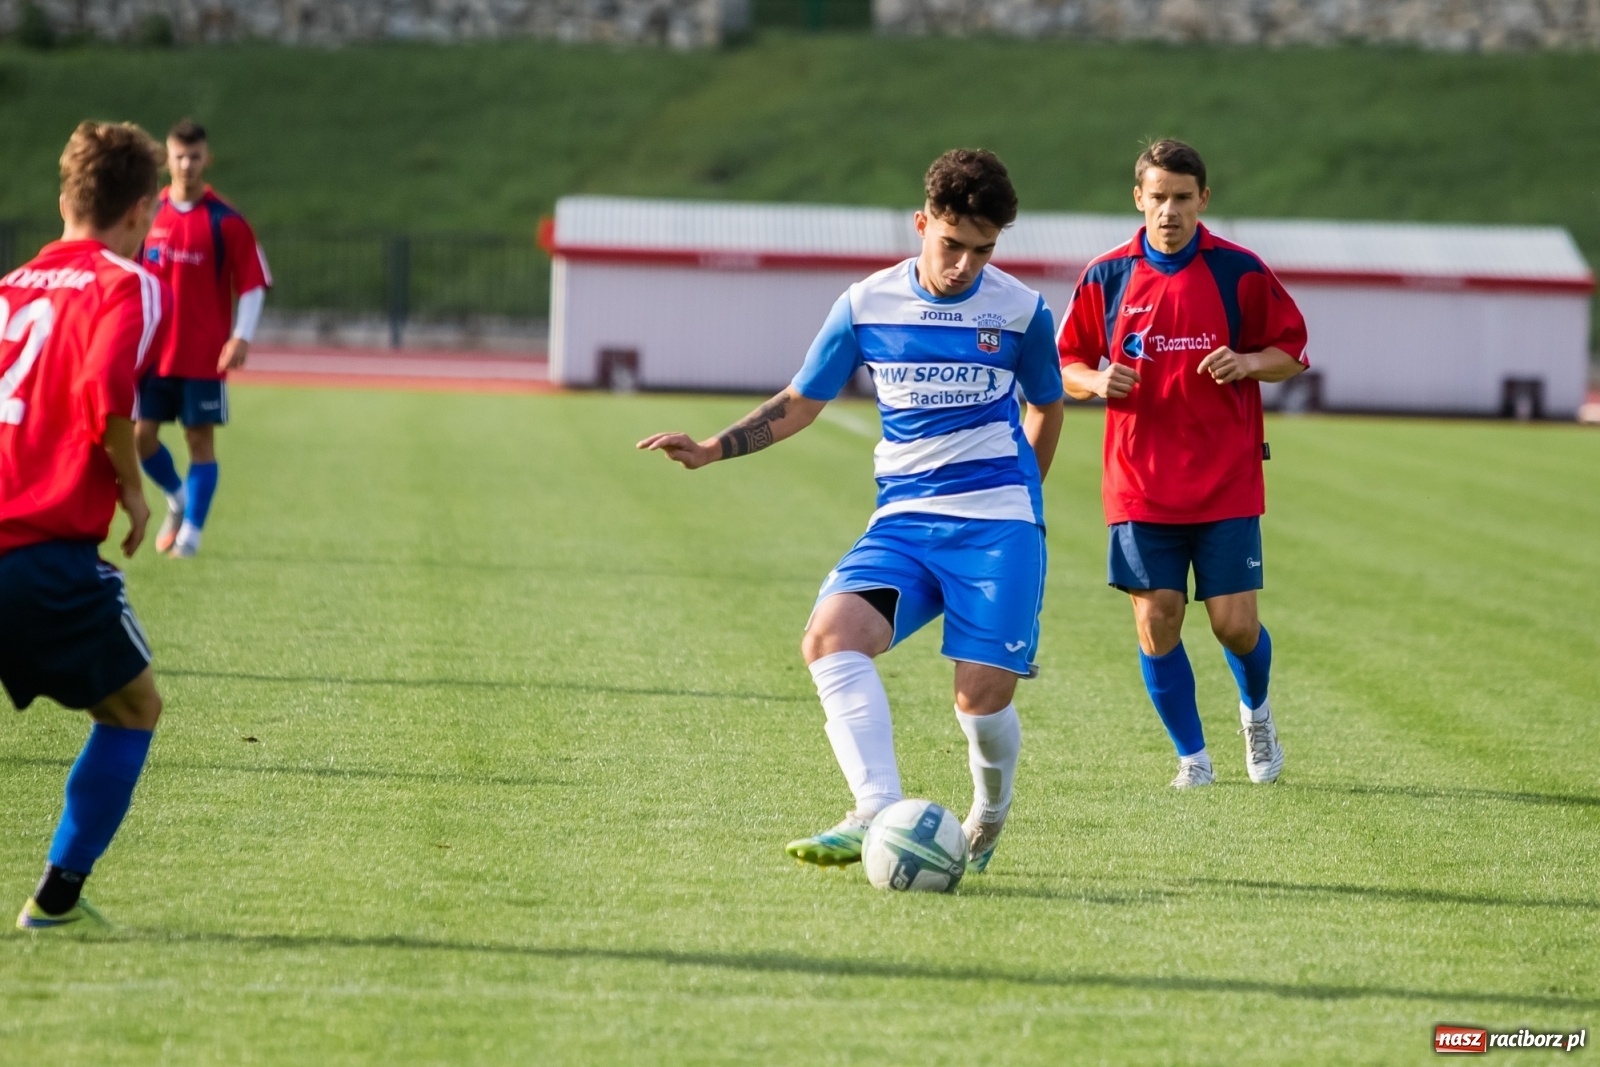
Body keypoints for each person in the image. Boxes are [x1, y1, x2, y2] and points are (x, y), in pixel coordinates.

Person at [639, 149, 1065, 872]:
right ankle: (873, 808)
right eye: (952, 244)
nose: (965, 264)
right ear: (922, 223)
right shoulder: (866, 304)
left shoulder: (1022, 311)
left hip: (998, 525)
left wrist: (1024, 505)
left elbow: (1047, 405)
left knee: (979, 702)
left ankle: (989, 813)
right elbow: (802, 401)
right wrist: (713, 448)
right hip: (903, 523)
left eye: (983, 250)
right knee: (830, 637)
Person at [1056, 139, 1309, 788]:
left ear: (1203, 199)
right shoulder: (1106, 276)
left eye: (1182, 197)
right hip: (1140, 483)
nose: (1169, 211)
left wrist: (1247, 362)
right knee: (1156, 619)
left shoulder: (1240, 272)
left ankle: (1257, 713)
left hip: (1226, 479)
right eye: (1158, 197)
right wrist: (1096, 380)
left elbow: (1290, 352)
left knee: (1235, 625)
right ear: (1138, 199)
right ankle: (1192, 758)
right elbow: (1066, 363)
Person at [1, 121, 169, 930]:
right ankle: (57, 896)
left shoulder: (9, 285)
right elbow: (106, 393)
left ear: (64, 197)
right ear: (139, 211)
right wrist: (132, 488)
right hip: (37, 551)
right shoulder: (124, 282)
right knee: (133, 707)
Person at [136, 119, 271, 558]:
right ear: (167, 159)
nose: (187, 165)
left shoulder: (226, 220)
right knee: (141, 437)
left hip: (203, 356)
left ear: (206, 159)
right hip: (152, 355)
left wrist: (241, 337)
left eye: (194, 157)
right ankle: (177, 498)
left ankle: (191, 534)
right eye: (179, 156)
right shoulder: (147, 215)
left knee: (199, 441)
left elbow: (253, 283)